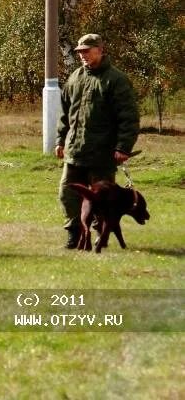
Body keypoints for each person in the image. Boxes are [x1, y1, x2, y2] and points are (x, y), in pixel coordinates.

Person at [55, 33, 139, 249]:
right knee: (67, 193)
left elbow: (128, 117)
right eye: (80, 51)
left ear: (100, 50)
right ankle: (74, 234)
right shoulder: (75, 78)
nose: (83, 55)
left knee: (101, 200)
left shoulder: (116, 80)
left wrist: (123, 147)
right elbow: (65, 113)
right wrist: (60, 140)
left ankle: (100, 234)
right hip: (75, 151)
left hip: (102, 154)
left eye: (87, 50)